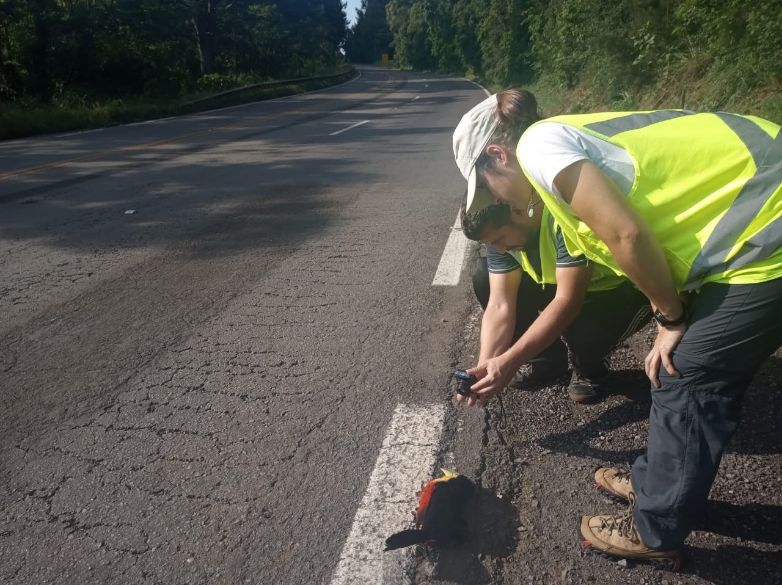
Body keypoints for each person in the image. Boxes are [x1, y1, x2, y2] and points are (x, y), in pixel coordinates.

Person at [451, 88, 782, 565]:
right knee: (680, 368)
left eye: (486, 190)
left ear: (498, 154)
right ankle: (657, 484)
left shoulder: (540, 148)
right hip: (751, 227)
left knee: (686, 376)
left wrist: (671, 317)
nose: (495, 206)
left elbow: (626, 233)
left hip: (768, 220)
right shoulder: (550, 178)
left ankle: (657, 529)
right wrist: (489, 365)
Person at [464, 189, 651, 403]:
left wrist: (511, 361)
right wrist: (484, 369)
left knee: (581, 328)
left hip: (624, 290)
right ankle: (543, 360)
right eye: (491, 244)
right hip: (570, 287)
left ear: (516, 212)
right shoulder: (502, 239)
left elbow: (568, 303)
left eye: (499, 239)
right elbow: (500, 305)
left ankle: (590, 369)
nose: (500, 249)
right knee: (483, 276)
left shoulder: (561, 219)